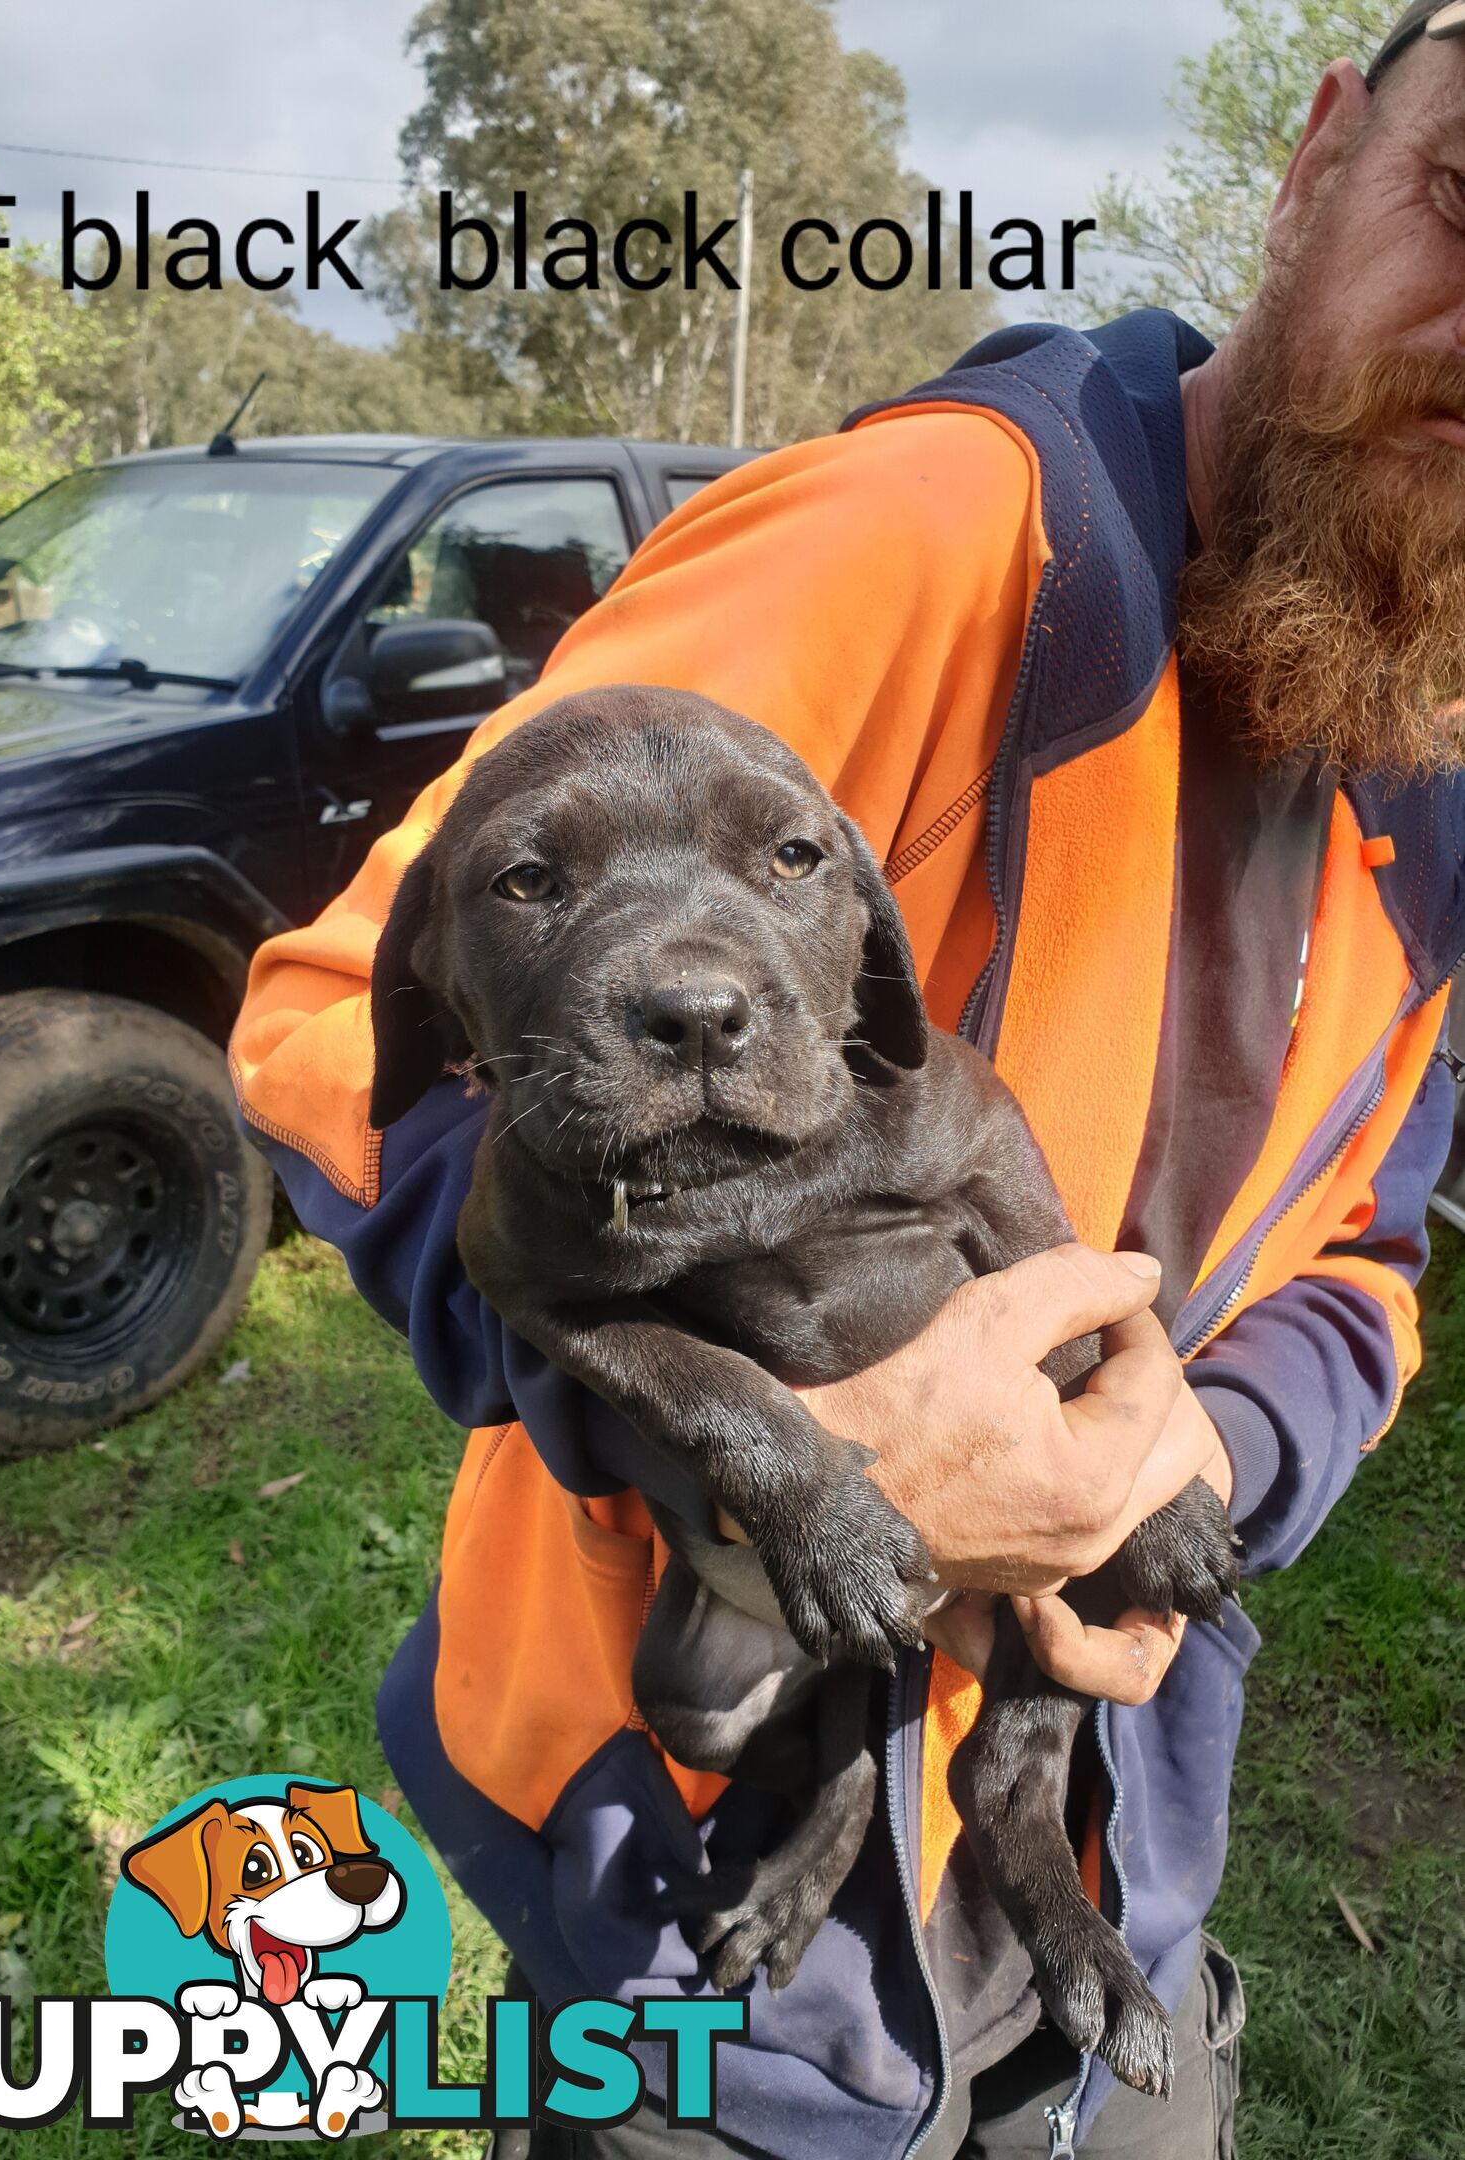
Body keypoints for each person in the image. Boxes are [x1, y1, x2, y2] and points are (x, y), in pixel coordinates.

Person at [229, 8, 1465, 2152]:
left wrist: (1196, 1461)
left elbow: (1364, 1262)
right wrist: (779, 1462)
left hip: (1100, 1856)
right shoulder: (951, 531)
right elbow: (341, 1024)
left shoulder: (1433, 789)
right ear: (1319, 158)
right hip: (697, 1862)